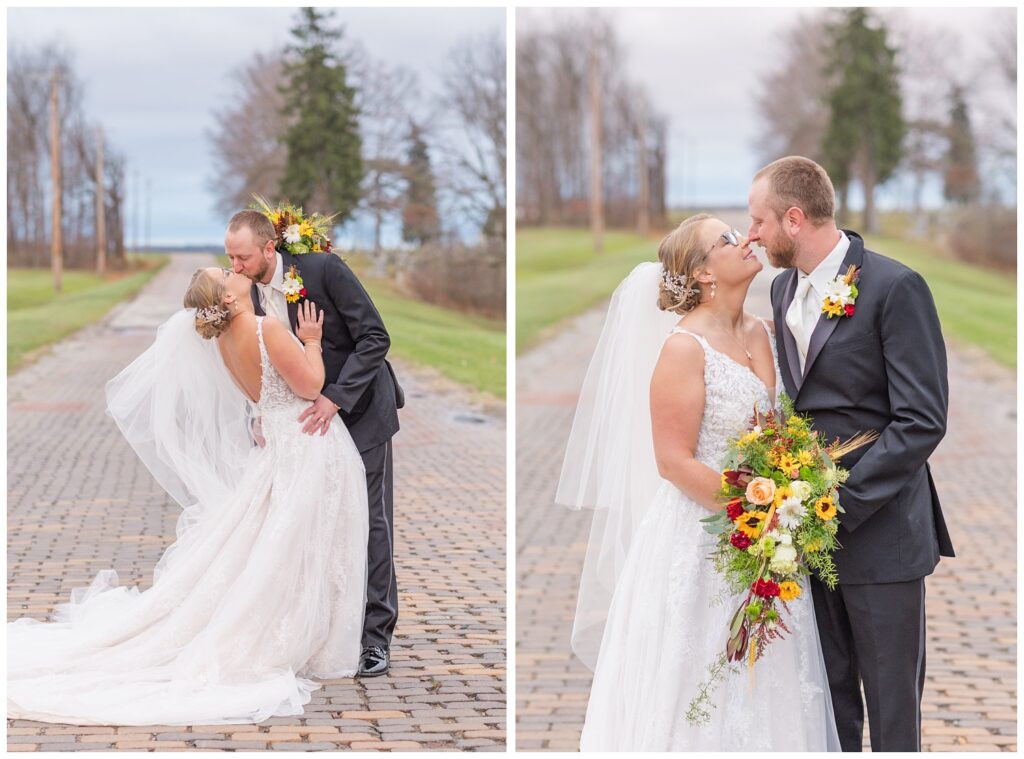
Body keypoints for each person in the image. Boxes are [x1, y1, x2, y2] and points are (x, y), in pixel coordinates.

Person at [8, 266, 369, 725]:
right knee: (303, 540)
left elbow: (259, 393)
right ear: (229, 296)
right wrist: (313, 340)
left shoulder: (221, 339)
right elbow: (310, 386)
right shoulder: (267, 328)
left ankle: (305, 628)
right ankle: (305, 634)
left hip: (276, 440)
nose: (234, 268)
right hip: (303, 441)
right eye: (227, 271)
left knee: (279, 540)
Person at [560, 214, 839, 751]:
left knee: (774, 677)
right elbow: (673, 461)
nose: (747, 239)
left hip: (771, 540)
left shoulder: (763, 329)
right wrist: (755, 518)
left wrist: (787, 501)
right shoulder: (684, 349)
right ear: (703, 272)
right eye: (727, 239)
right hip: (707, 538)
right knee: (705, 678)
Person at [750, 155, 953, 752]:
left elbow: (921, 420)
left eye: (759, 221)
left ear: (794, 218)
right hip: (809, 542)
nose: (753, 234)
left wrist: (840, 505)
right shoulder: (784, 287)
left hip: (882, 534)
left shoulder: (896, 287)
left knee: (892, 718)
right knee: (828, 708)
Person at [225, 210, 403, 677]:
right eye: (229, 258)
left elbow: (375, 337)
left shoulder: (324, 270)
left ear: (269, 248)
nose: (235, 266)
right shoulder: (250, 299)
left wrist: (335, 400)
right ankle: (326, 625)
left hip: (360, 409)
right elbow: (263, 366)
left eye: (241, 257)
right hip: (305, 426)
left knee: (370, 521)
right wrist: (258, 414)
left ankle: (374, 637)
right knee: (319, 518)